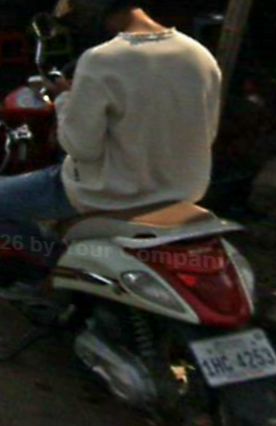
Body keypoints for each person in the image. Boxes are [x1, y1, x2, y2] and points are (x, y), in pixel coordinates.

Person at [0, 0, 222, 289]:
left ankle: (56, 270)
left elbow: (81, 147)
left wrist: (65, 98)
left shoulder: (101, 60)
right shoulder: (200, 55)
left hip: (109, 193)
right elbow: (206, 134)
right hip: (182, 190)